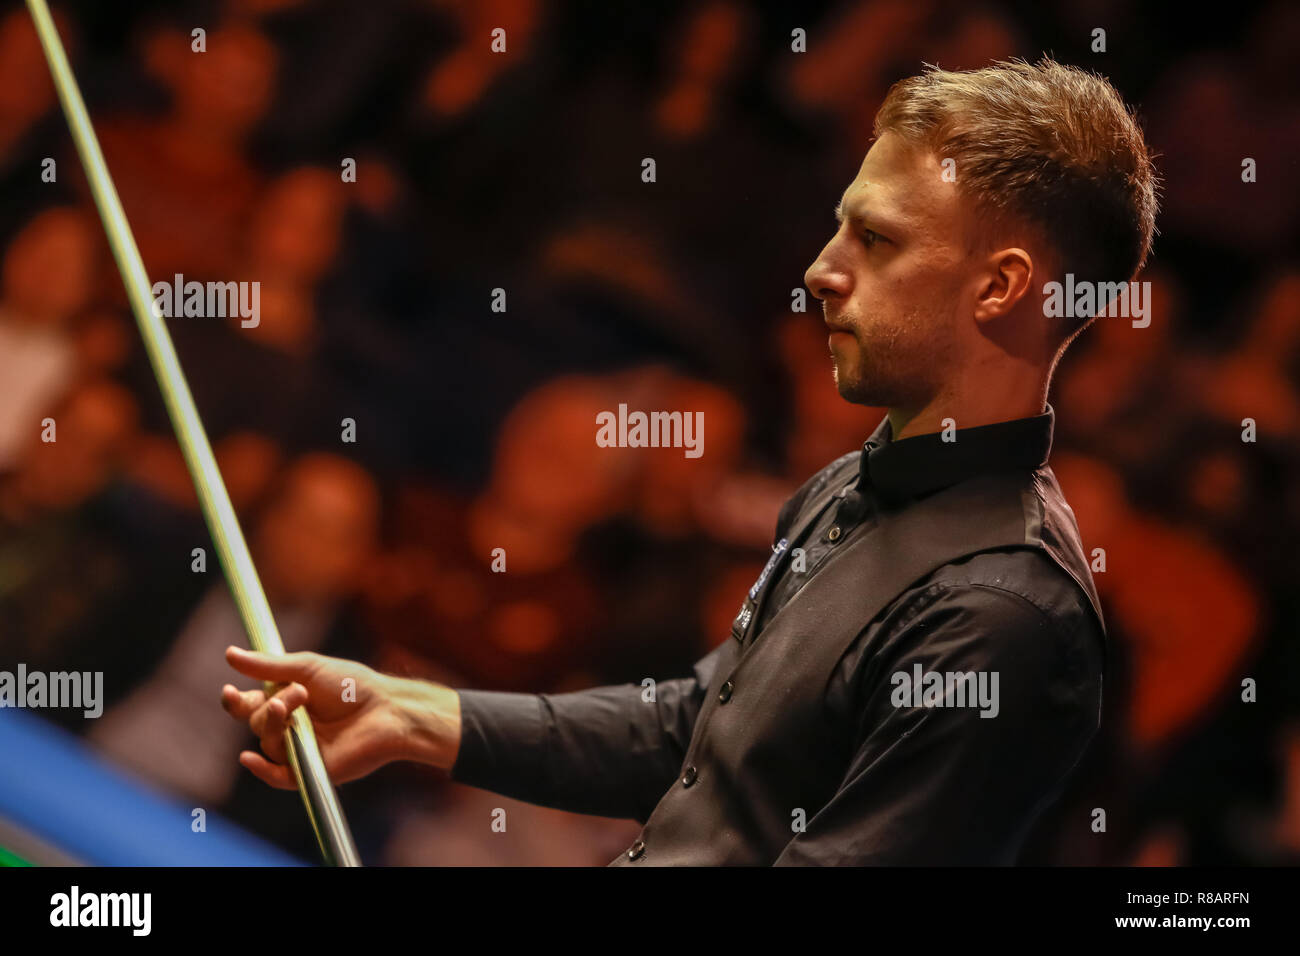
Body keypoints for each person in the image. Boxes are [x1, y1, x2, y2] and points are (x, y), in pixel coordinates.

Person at [223, 56, 1158, 865]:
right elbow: (698, 728)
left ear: (999, 286)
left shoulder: (1000, 614)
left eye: (875, 238)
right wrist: (424, 716)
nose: (821, 268)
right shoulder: (851, 489)